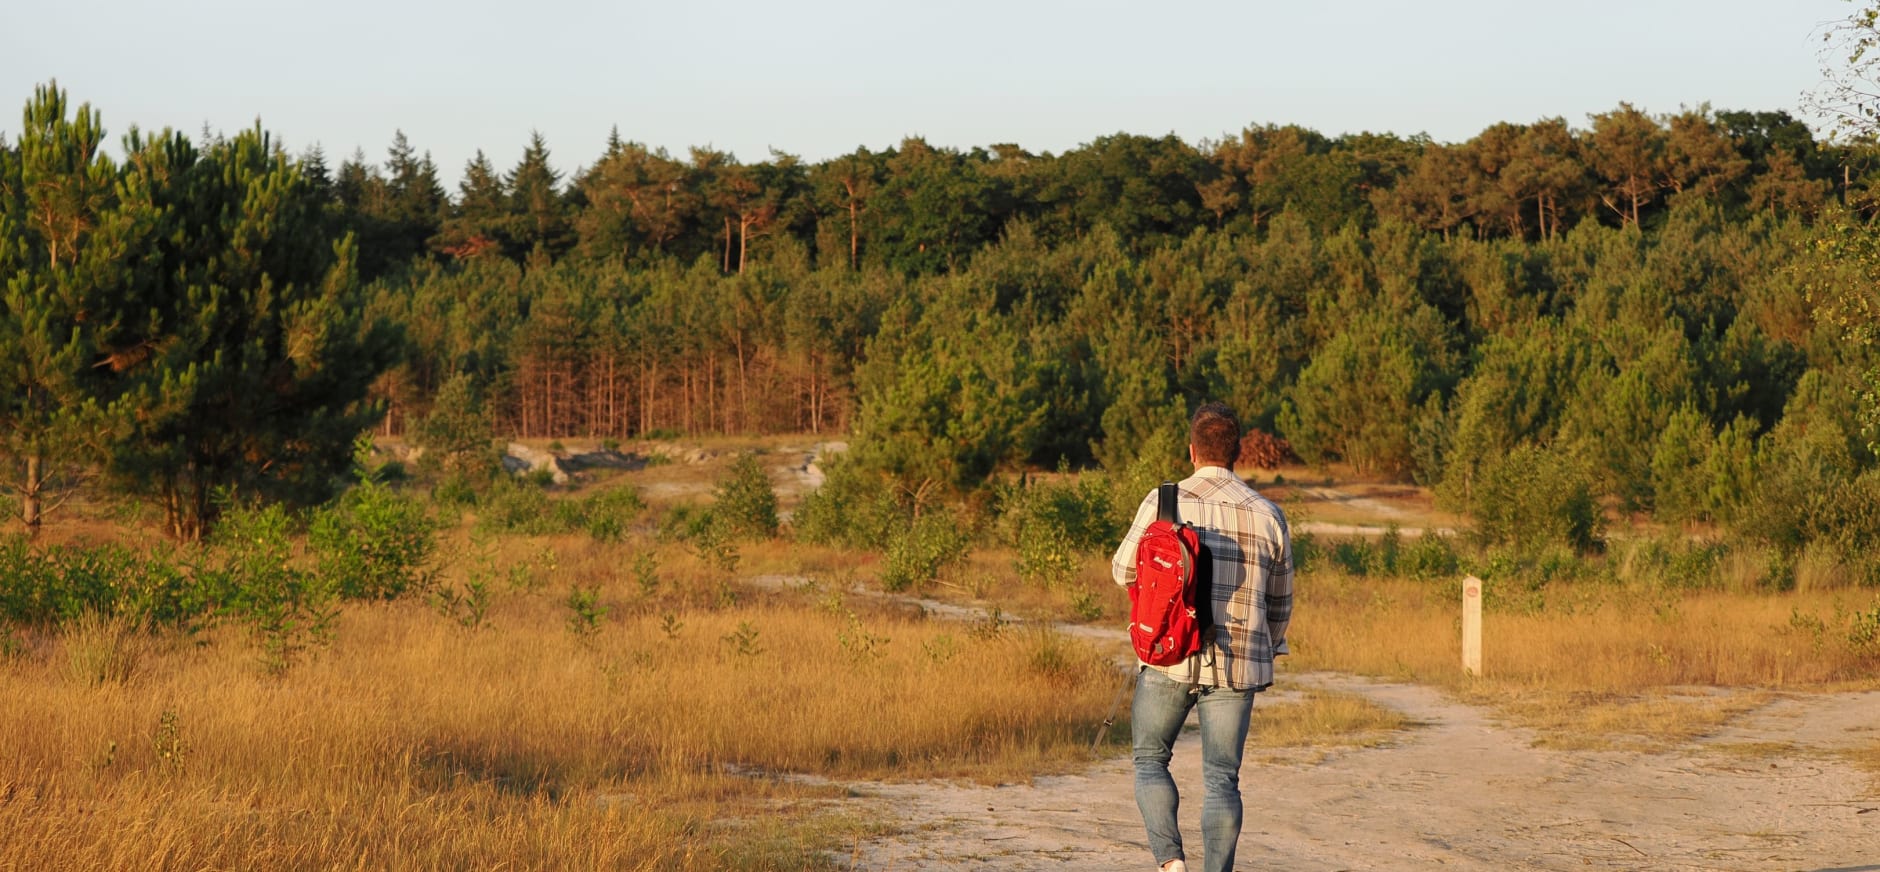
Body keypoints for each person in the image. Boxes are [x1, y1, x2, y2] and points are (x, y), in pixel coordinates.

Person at [1110, 402, 1294, 872]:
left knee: (1150, 759)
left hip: (1169, 656)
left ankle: (1171, 863)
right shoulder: (1268, 514)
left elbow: (1122, 569)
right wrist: (1264, 646)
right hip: (1237, 663)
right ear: (1237, 453)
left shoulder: (1162, 501)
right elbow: (1280, 602)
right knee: (1222, 781)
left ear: (1192, 450)